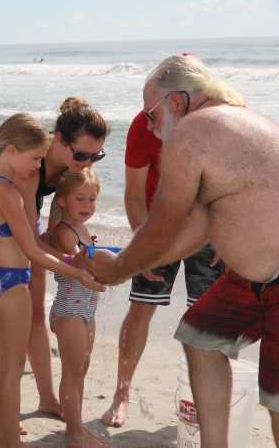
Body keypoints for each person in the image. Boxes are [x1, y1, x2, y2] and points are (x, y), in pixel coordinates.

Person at [87, 54, 279, 447]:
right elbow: (196, 228)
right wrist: (134, 264)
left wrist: (117, 267)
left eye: (150, 113)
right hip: (267, 273)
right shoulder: (223, 122)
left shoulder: (191, 132)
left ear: (176, 103)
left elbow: (162, 227)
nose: (148, 124)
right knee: (199, 337)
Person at [0, 96, 108, 418]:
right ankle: (4, 413)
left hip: (24, 215)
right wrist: (70, 264)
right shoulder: (27, 170)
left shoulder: (73, 162)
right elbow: (32, 246)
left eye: (96, 156)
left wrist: (65, 242)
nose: (87, 163)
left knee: (35, 311)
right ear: (59, 140)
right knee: (4, 319)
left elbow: (58, 216)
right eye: (82, 155)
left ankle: (46, 398)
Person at [101, 105, 225, 427]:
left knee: (208, 319)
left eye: (153, 113)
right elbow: (133, 193)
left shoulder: (220, 120)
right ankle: (121, 394)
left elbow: (237, 184)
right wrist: (142, 248)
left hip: (207, 227)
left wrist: (227, 234)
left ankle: (202, 402)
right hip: (158, 223)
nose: (150, 121)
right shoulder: (143, 125)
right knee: (141, 307)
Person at [48, 169, 107, 448]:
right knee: (72, 373)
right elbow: (77, 261)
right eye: (80, 198)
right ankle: (75, 434)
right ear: (61, 201)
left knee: (81, 370)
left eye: (92, 199)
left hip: (86, 311)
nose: (87, 205)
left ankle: (76, 425)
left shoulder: (83, 230)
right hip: (69, 310)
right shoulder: (64, 231)